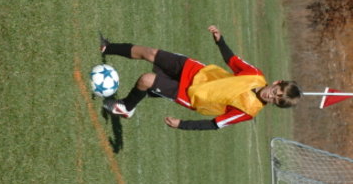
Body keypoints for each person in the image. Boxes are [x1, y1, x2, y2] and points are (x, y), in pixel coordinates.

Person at [101, 25, 301, 130]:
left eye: (276, 101)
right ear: (277, 82)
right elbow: (232, 60)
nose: (271, 97)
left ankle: (126, 107)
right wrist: (220, 41)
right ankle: (107, 47)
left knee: (146, 80)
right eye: (276, 92)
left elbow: (215, 124)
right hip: (196, 71)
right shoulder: (255, 75)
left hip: (191, 95)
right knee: (151, 53)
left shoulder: (249, 111)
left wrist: (182, 124)